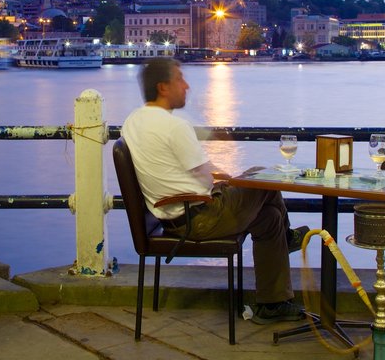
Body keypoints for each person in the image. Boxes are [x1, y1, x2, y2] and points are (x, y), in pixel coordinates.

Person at [121, 57, 308, 324]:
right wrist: (228, 181)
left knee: (269, 219)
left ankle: (273, 303)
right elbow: (205, 177)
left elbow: (190, 171)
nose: (186, 86)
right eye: (180, 79)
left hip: (174, 216)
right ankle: (288, 239)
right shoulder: (174, 126)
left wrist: (223, 179)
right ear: (163, 87)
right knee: (265, 176)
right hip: (200, 218)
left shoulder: (134, 121)